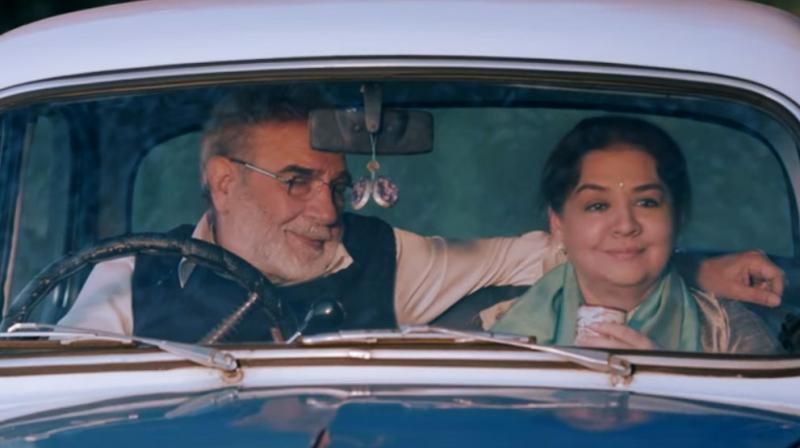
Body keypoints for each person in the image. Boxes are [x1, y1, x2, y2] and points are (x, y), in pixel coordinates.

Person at [58, 90, 784, 343]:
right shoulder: (130, 279)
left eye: (337, 185)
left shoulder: (383, 256)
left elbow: (559, 249)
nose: (326, 211)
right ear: (224, 183)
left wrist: (697, 268)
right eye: (297, 181)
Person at [490, 116, 780, 353]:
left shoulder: (730, 335)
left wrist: (664, 381)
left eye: (647, 203)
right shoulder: (501, 327)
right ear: (558, 223)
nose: (626, 225)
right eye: (598, 205)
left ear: (678, 217)